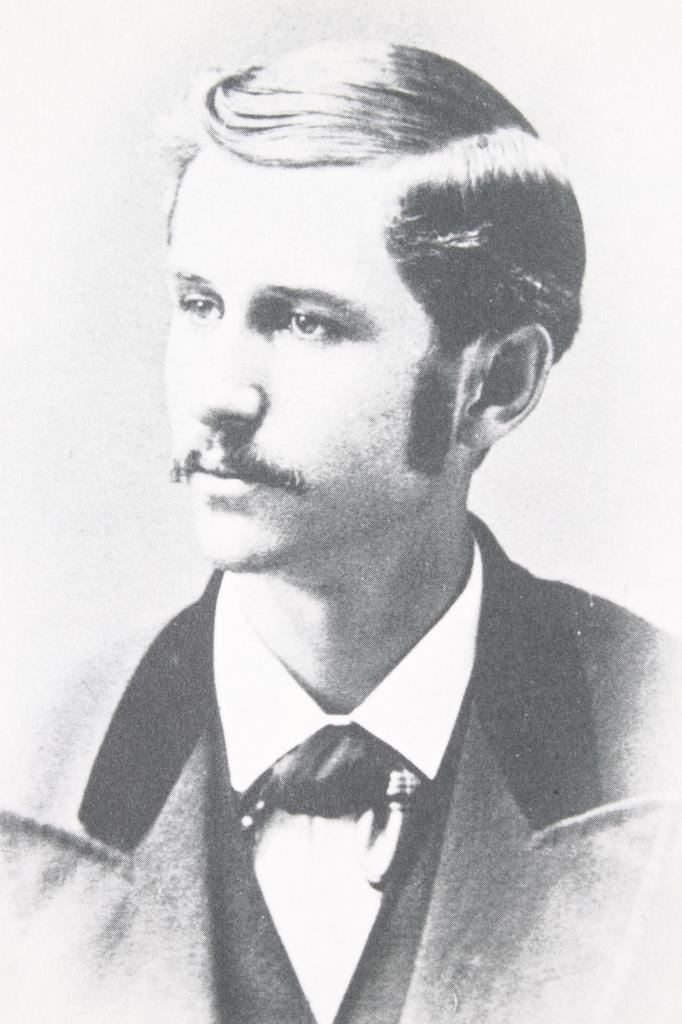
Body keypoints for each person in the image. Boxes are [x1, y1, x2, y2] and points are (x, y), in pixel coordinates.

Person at [1, 41, 680, 1024]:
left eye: (306, 322)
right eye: (199, 304)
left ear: (496, 384)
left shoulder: (658, 747)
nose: (219, 394)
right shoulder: (24, 773)